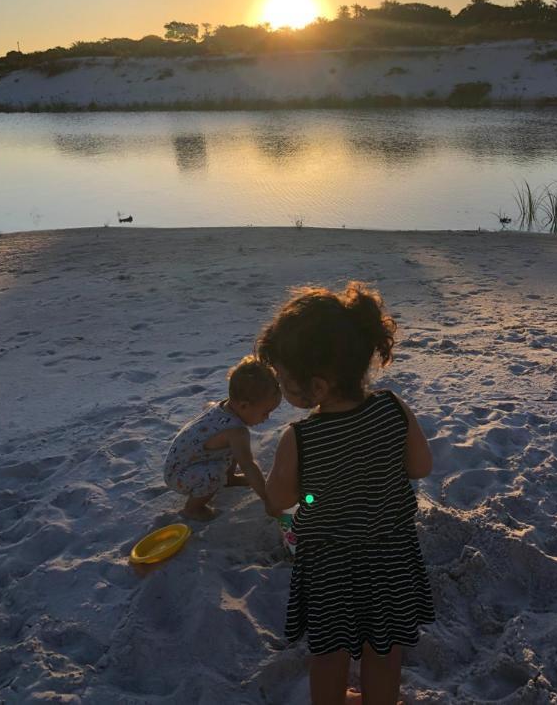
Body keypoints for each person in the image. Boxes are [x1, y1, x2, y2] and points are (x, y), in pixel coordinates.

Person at [257, 282, 435, 705]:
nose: (281, 389)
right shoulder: (393, 407)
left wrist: (300, 485)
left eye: (283, 380)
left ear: (317, 388)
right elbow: (421, 467)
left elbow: (277, 501)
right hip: (391, 558)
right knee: (385, 652)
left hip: (329, 566)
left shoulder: (299, 438)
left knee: (329, 654)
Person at [163, 355, 281, 520]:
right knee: (215, 474)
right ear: (244, 405)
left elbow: (207, 406)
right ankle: (193, 508)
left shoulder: (221, 406)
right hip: (179, 475)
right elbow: (248, 466)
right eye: (265, 412)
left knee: (232, 450)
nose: (267, 418)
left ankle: (229, 478)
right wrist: (268, 499)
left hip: (181, 462)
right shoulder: (237, 431)